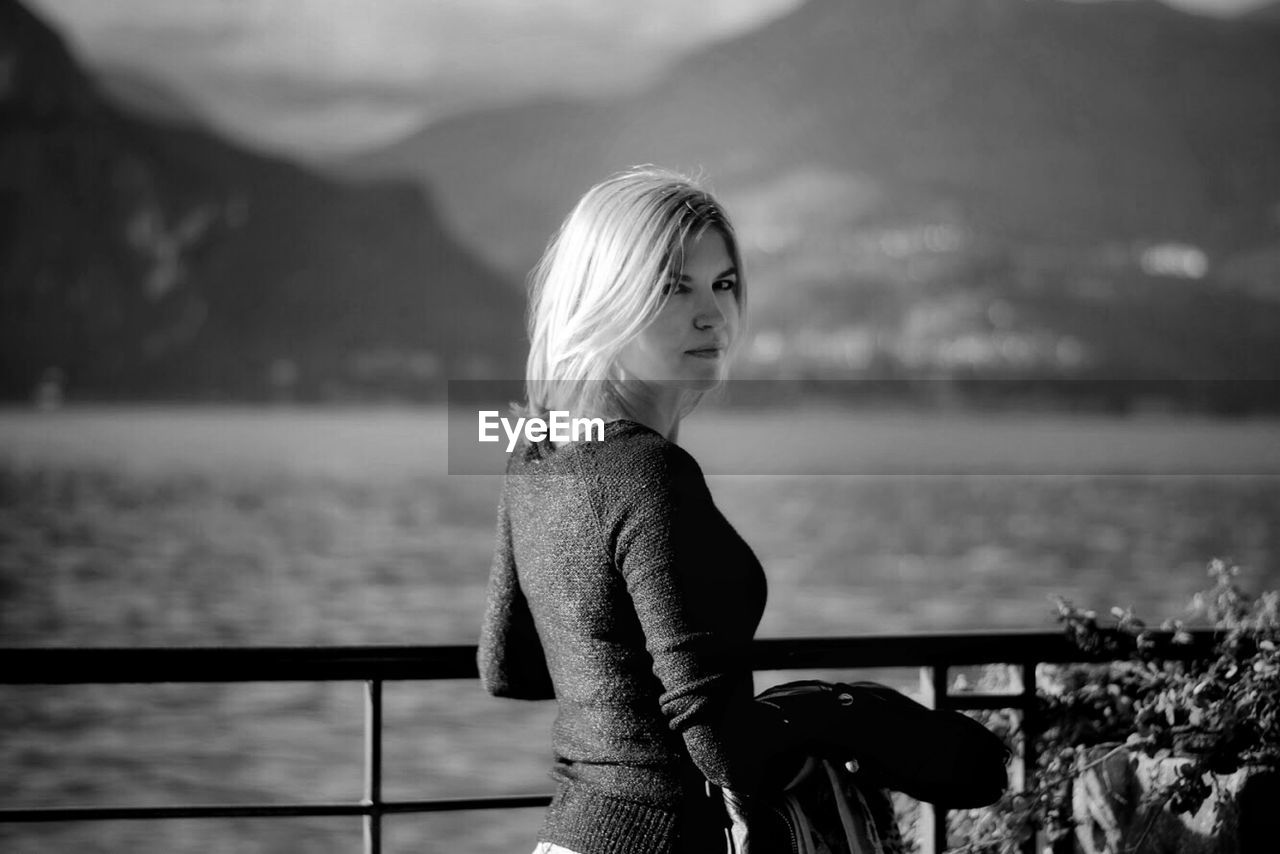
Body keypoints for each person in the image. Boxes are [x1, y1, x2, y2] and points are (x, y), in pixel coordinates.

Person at [477, 166, 791, 854]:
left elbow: (508, 665)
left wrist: (607, 694)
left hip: (571, 836)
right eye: (674, 286)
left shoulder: (536, 455)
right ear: (607, 298)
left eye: (724, 283)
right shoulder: (653, 474)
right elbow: (709, 723)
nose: (712, 314)